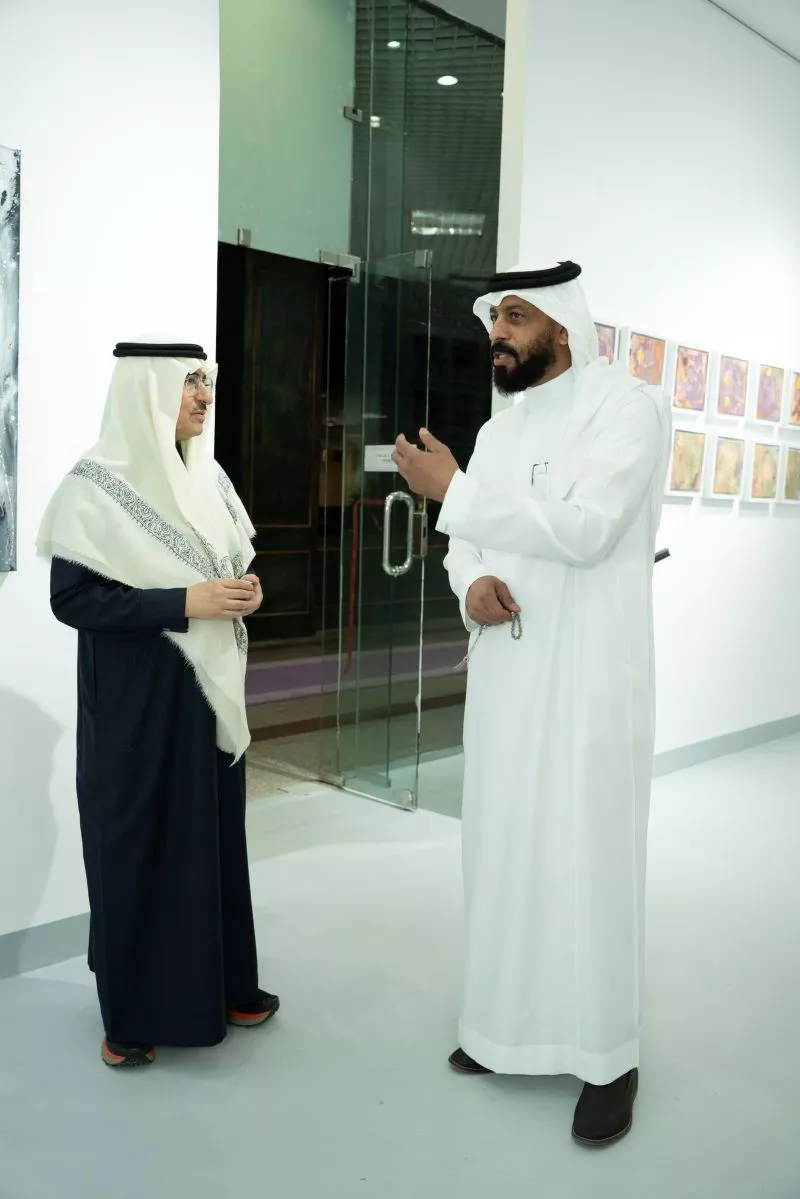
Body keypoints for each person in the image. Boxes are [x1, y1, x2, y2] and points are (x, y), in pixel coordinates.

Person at [391, 262, 671, 1146]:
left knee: (589, 857)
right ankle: (499, 1026)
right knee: (504, 845)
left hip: (590, 678)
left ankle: (608, 1059)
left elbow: (588, 529)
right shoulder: (498, 428)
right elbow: (466, 543)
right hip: (507, 676)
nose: (499, 334)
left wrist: (453, 491)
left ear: (561, 323)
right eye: (493, 319)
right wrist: (469, 583)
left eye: (515, 316)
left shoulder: (628, 407)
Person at [37, 340, 279, 1068]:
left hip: (204, 696)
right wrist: (183, 603)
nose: (204, 396)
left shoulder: (208, 475)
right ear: (145, 391)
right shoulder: (96, 486)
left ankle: (225, 986)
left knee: (212, 838)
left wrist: (243, 591)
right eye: (187, 383)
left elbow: (229, 561)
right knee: (138, 843)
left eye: (206, 381)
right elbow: (73, 600)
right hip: (136, 703)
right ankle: (133, 1016)